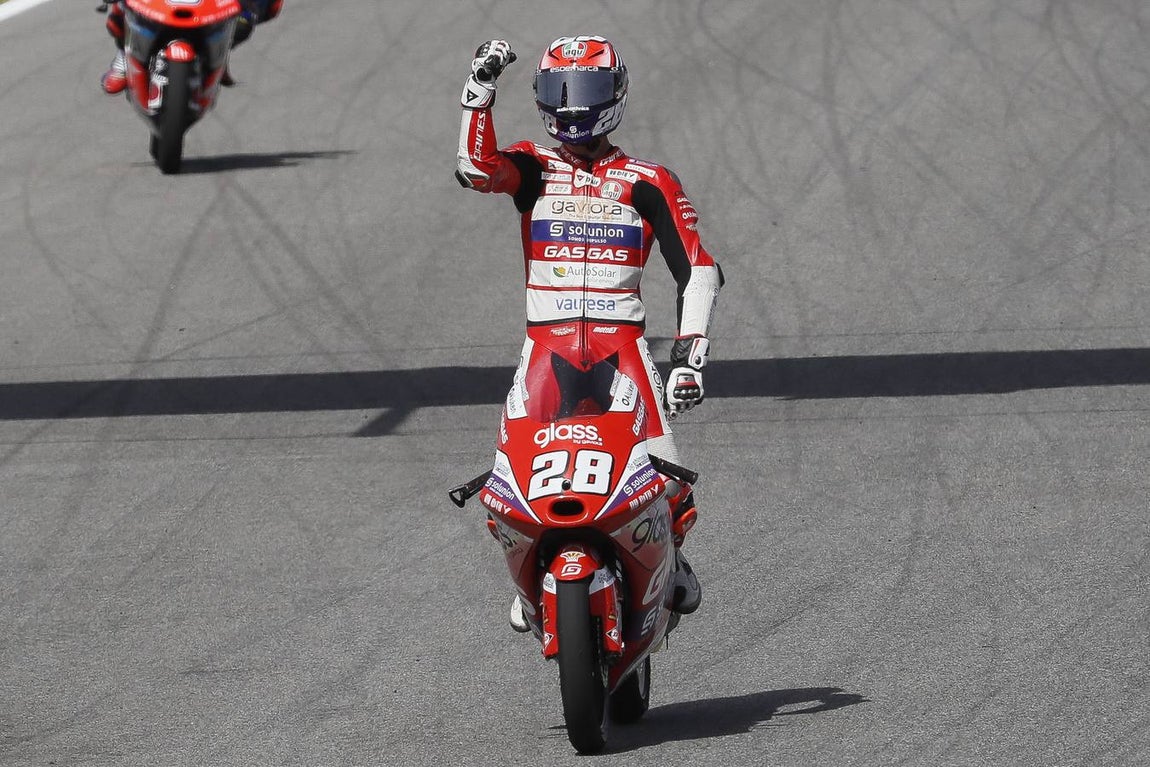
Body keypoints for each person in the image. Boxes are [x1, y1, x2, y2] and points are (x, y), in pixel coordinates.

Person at [456, 36, 724, 632]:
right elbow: (475, 170)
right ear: (542, 98)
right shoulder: (532, 166)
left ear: (616, 95)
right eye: (560, 93)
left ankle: (671, 563)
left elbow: (699, 269)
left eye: (589, 92)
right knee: (508, 481)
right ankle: (530, 581)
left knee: (669, 481)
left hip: (620, 350)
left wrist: (689, 357)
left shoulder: (648, 180)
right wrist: (479, 91)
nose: (574, 107)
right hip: (544, 350)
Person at [99, 0, 283, 94]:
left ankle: (218, 53)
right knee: (120, 13)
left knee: (242, 22)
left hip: (209, 8)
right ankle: (124, 55)